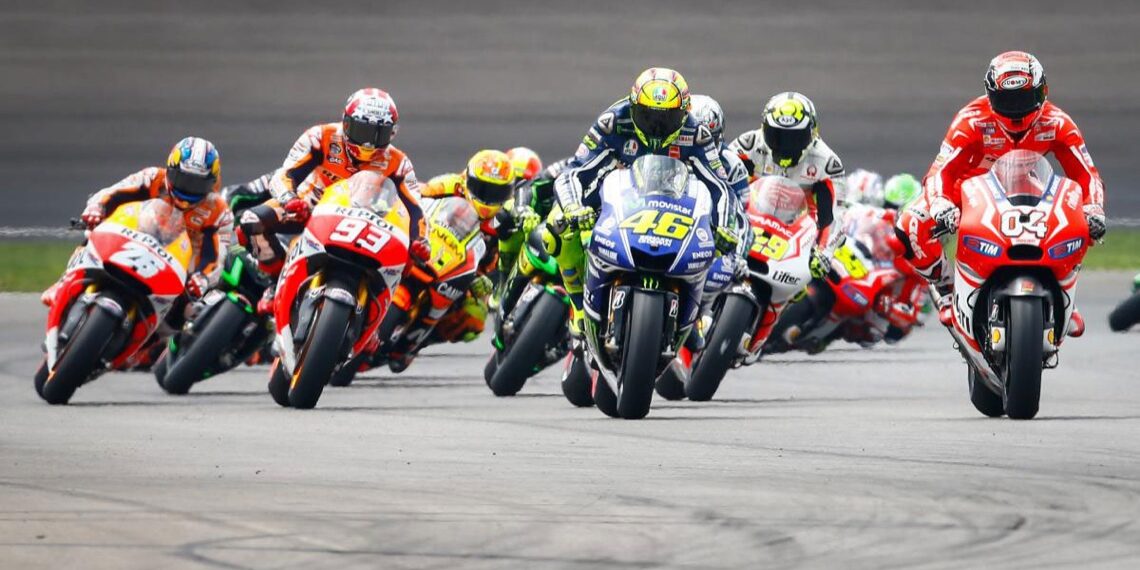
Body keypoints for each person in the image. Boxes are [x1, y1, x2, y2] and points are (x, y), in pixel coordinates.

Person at [896, 51, 1106, 336]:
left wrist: (1093, 208)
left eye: (1023, 99)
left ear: (1042, 93)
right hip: (966, 190)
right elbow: (940, 172)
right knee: (910, 225)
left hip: (1025, 184)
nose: (1015, 111)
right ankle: (947, 289)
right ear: (990, 96)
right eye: (1006, 101)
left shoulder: (1058, 122)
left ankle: (1060, 289)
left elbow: (1086, 174)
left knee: (1082, 222)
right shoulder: (971, 120)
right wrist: (941, 204)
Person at [549, 67, 743, 334]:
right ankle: (580, 307)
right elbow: (574, 170)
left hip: (674, 204)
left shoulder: (697, 134)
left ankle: (691, 319)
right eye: (648, 116)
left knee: (714, 250)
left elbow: (721, 187)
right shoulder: (613, 122)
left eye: (667, 119)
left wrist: (726, 226)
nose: (656, 127)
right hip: (615, 194)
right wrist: (573, 207)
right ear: (633, 107)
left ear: (684, 113)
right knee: (556, 229)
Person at [240, 88, 428, 278]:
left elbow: (417, 210)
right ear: (346, 123)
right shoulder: (320, 137)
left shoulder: (398, 163)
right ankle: (274, 278)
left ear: (392, 133)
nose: (368, 144)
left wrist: (420, 241)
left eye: (379, 134)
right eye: (362, 131)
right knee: (252, 221)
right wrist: (290, 199)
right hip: (309, 209)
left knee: (410, 262)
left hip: (365, 223)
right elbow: (283, 175)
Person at [43, 137, 234, 307]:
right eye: (182, 179)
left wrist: (203, 278)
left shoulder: (219, 211)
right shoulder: (152, 178)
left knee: (191, 309)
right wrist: (96, 208)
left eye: (197, 184)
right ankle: (64, 282)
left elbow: (217, 256)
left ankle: (163, 333)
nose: (188, 189)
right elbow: (114, 192)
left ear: (212, 183)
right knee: (92, 235)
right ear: (171, 168)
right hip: (136, 238)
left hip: (177, 268)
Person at [729, 91, 848, 281]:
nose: (785, 146)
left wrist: (824, 253)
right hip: (748, 223)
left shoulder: (827, 163)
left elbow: (835, 217)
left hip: (795, 238)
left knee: (823, 283)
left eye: (795, 138)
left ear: (812, 133)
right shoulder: (749, 145)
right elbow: (720, 183)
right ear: (764, 128)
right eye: (776, 136)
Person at [415, 150, 516, 346]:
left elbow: (491, 262)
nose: (488, 199)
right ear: (467, 179)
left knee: (475, 317)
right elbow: (414, 200)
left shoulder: (502, 221)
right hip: (423, 247)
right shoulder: (448, 185)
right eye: (482, 189)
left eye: (496, 194)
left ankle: (419, 340)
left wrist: (482, 280)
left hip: (459, 270)